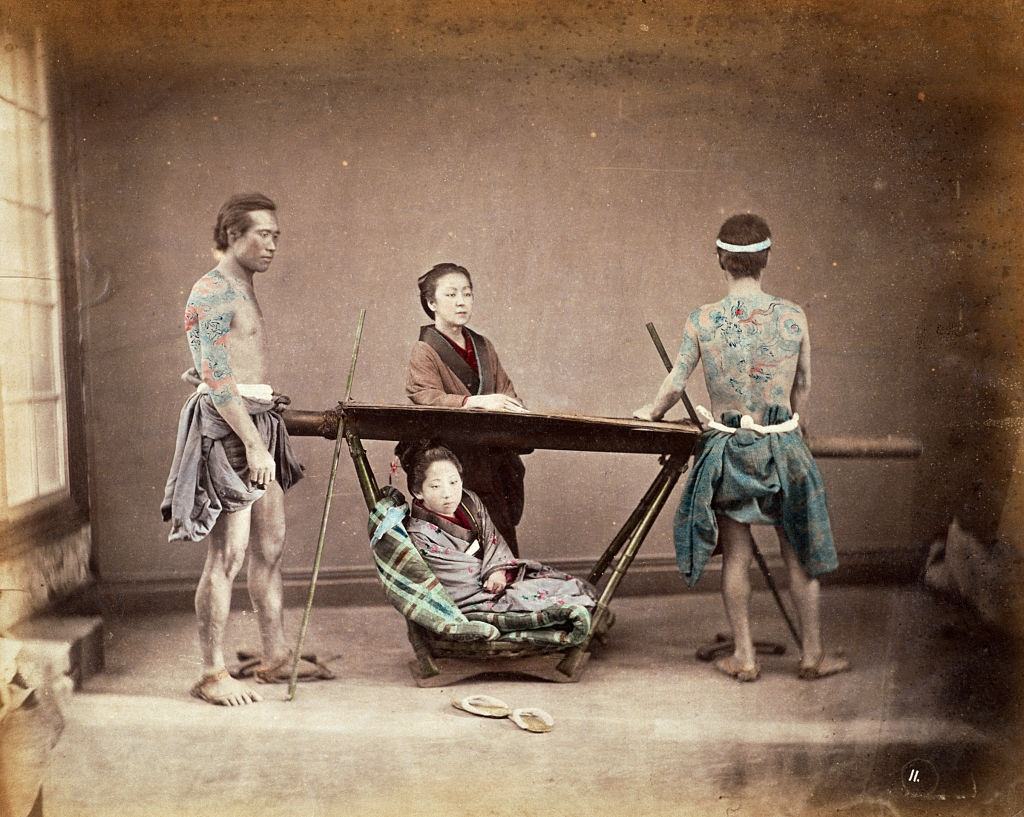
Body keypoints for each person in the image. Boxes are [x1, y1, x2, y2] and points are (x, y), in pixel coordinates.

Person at [634, 213, 848, 682]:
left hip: (730, 452)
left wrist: (651, 412)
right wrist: (795, 428)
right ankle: (812, 655)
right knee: (799, 555)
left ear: (720, 260)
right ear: (766, 259)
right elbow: (804, 384)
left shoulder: (703, 319)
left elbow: (675, 383)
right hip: (784, 448)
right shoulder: (792, 315)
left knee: (737, 557)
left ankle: (745, 656)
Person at [161, 193, 305, 706]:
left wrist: (264, 434)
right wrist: (252, 442)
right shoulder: (212, 291)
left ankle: (276, 656)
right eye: (262, 234)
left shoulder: (243, 285)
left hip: (259, 422)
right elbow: (217, 380)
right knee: (229, 554)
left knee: (270, 546)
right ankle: (211, 672)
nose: (272, 244)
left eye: (276, 235)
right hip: (229, 429)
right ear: (232, 234)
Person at [405, 262, 528, 556]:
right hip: (451, 460)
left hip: (491, 457)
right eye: (450, 295)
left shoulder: (483, 347)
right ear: (431, 302)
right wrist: (476, 402)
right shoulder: (425, 350)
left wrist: (513, 409)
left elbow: (507, 394)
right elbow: (424, 395)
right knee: (461, 546)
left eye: (467, 294)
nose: (461, 301)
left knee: (500, 541)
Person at [397, 441, 596, 614]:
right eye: (435, 486)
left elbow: (493, 541)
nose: (448, 493)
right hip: (470, 595)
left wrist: (496, 571)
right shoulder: (419, 533)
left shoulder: (470, 501)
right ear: (417, 491)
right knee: (548, 596)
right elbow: (452, 576)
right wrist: (491, 579)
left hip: (494, 577)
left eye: (453, 482)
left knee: (565, 585)